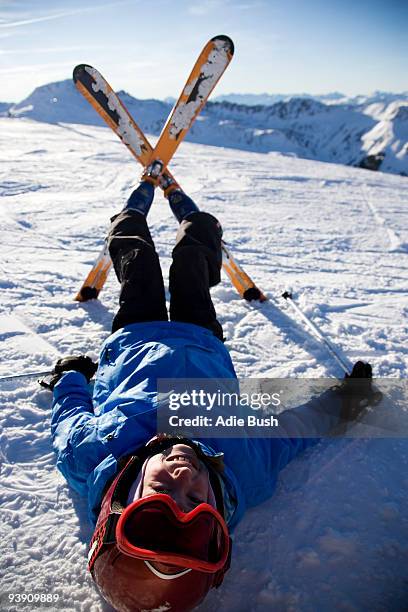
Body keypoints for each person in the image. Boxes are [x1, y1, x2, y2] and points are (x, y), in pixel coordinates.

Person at [44, 165, 378, 612]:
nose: (184, 478)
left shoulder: (92, 457)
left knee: (138, 261)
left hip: (135, 336)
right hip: (198, 336)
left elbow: (69, 417)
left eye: (162, 495)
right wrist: (348, 401)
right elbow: (297, 429)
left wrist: (71, 376)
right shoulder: (244, 463)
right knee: (190, 263)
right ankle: (201, 229)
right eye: (197, 500)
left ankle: (127, 221)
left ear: (122, 499)